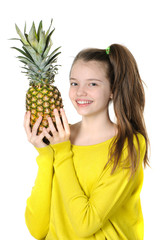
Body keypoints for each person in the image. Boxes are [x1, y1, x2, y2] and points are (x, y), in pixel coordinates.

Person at [24, 44, 149, 240]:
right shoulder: (59, 139)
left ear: (112, 90)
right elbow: (37, 228)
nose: (80, 92)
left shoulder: (128, 144)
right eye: (74, 83)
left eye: (92, 84)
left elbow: (85, 225)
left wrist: (62, 152)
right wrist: (46, 154)